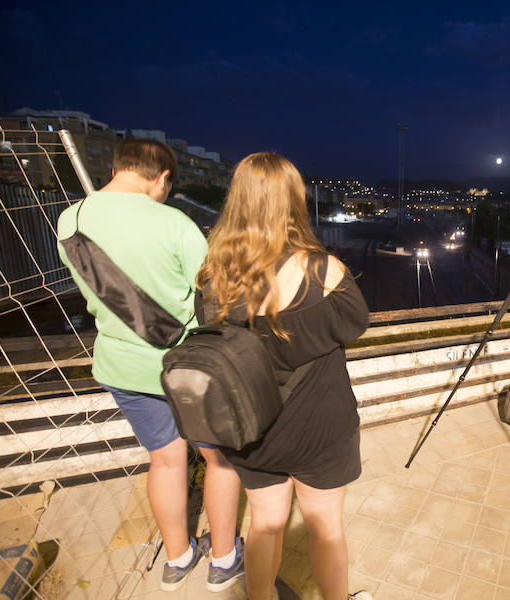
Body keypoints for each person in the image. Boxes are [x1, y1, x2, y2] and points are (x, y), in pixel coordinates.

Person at [56, 139, 243, 592]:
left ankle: (177, 558)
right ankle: (223, 561)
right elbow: (212, 297)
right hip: (186, 367)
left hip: (121, 365)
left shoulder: (70, 220)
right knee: (219, 461)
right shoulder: (174, 224)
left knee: (164, 460)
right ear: (161, 178)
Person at [196, 152, 372, 600]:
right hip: (321, 426)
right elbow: (354, 324)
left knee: (265, 525)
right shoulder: (323, 269)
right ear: (295, 201)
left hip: (253, 430)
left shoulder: (214, 277)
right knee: (326, 530)